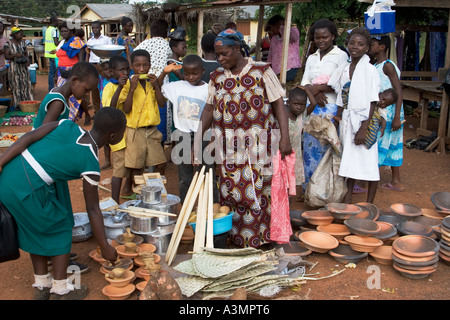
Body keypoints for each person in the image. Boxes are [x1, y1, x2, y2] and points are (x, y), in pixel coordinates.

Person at [0, 107, 125, 300]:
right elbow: (92, 208)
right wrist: (105, 246)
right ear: (114, 137)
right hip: (28, 188)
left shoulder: (67, 125)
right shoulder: (91, 163)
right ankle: (60, 290)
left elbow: (28, 138)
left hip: (8, 178)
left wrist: (0, 162)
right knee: (61, 226)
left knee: (35, 229)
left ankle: (41, 286)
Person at [197, 29, 292, 248]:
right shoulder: (217, 77)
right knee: (230, 191)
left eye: (224, 54)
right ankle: (235, 238)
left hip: (259, 148)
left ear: (238, 49)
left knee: (258, 191)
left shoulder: (261, 72)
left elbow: (279, 105)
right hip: (227, 148)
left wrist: (285, 139)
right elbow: (209, 110)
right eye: (217, 54)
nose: (220, 59)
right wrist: (196, 141)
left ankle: (260, 239)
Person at [329, 27, 381, 204]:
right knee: (349, 162)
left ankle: (369, 205)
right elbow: (342, 97)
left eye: (360, 44)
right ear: (347, 44)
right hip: (348, 121)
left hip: (364, 122)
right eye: (352, 43)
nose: (355, 47)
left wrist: (364, 129)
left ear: (367, 48)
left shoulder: (369, 70)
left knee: (369, 164)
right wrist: (337, 118)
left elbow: (373, 100)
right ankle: (348, 201)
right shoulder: (345, 69)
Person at [160, 55, 219, 203]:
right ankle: (187, 207)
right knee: (184, 177)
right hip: (182, 136)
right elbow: (158, 87)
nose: (191, 77)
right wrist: (164, 73)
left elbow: (212, 114)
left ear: (203, 71)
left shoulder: (208, 89)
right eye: (187, 74)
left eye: (195, 73)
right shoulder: (177, 86)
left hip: (204, 136)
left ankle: (212, 206)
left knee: (206, 174)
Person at [300, 19, 348, 192]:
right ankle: (309, 190)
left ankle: (325, 191)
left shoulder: (341, 56)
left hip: (331, 107)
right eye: (317, 37)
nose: (320, 41)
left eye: (325, 37)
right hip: (312, 108)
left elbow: (342, 83)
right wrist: (316, 92)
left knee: (326, 149)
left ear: (333, 37)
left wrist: (319, 88)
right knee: (309, 148)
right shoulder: (312, 58)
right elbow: (305, 82)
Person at [117, 49, 167, 189]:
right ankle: (138, 193)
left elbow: (162, 104)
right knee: (137, 168)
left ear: (150, 65)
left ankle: (157, 191)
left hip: (152, 130)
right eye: (137, 66)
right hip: (135, 131)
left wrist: (157, 86)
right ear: (131, 66)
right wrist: (132, 89)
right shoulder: (127, 84)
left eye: (145, 65)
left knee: (161, 163)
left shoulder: (153, 82)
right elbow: (126, 109)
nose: (141, 69)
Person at [369, 34, 405, 192]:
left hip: (390, 112)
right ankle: (394, 181)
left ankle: (371, 181)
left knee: (381, 143)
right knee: (391, 145)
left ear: (382, 47)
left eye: (373, 44)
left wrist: (397, 116)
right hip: (386, 110)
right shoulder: (376, 65)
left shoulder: (387, 65)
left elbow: (398, 89)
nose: (370, 46)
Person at [135, 19, 172, 147]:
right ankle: (162, 141)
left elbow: (134, 55)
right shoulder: (166, 45)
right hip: (161, 82)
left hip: (145, 80)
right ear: (166, 32)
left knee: (146, 108)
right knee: (162, 110)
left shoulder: (143, 43)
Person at [101, 55, 132, 203]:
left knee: (133, 164)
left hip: (130, 131)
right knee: (119, 170)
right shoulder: (109, 87)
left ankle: (128, 189)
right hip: (118, 135)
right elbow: (110, 109)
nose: (125, 73)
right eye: (121, 70)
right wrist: (119, 87)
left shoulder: (129, 84)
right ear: (111, 72)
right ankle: (114, 200)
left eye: (127, 69)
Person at [286, 86, 316, 201]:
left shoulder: (301, 116)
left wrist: (305, 89)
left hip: (294, 156)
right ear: (288, 103)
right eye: (296, 104)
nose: (299, 107)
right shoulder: (283, 115)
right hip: (281, 155)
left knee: (290, 184)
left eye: (302, 105)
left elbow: (313, 103)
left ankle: (287, 207)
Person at [55, 21, 90, 124]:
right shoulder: (62, 42)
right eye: (62, 31)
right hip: (61, 73)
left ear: (72, 31)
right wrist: (55, 74)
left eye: (66, 31)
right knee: (63, 95)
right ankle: (66, 118)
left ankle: (84, 116)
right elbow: (59, 60)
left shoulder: (77, 42)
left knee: (77, 97)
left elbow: (81, 60)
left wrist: (76, 74)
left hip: (74, 73)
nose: (64, 33)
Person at [3, 27, 34, 108]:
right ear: (15, 35)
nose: (22, 36)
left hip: (23, 67)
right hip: (14, 67)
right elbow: (6, 56)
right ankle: (18, 104)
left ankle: (27, 103)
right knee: (16, 85)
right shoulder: (8, 44)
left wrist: (27, 61)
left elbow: (26, 53)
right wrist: (15, 55)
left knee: (26, 85)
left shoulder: (23, 43)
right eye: (20, 34)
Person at [86, 20, 112, 115]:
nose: (95, 30)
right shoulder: (90, 41)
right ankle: (97, 111)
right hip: (93, 66)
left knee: (104, 87)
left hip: (103, 65)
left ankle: (105, 109)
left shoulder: (106, 39)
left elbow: (110, 52)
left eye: (96, 28)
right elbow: (88, 54)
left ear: (101, 28)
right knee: (94, 90)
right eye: (93, 28)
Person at [266, 15, 301, 82]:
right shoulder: (274, 39)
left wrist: (282, 28)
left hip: (291, 69)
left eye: (271, 28)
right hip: (277, 71)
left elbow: (293, 37)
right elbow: (270, 55)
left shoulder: (293, 31)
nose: (271, 30)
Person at [44, 15, 61, 92]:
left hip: (49, 53)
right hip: (55, 54)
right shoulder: (55, 30)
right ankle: (54, 88)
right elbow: (56, 43)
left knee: (51, 72)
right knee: (56, 72)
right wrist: (63, 41)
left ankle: (50, 88)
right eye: (57, 21)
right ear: (54, 21)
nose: (58, 22)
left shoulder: (48, 29)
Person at [0, 21, 8, 96]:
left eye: (1, 27)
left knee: (3, 84)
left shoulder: (5, 40)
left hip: (3, 65)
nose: (0, 28)